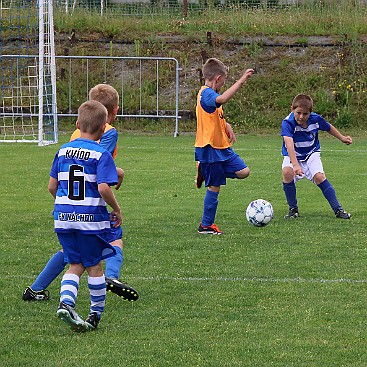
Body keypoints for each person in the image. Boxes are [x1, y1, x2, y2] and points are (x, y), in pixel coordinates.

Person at [22, 83, 138, 302]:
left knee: (71, 252)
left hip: (69, 201)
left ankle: (36, 287)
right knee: (114, 237)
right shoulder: (109, 132)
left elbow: (62, 174)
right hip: (91, 202)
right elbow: (97, 161)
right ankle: (111, 277)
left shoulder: (77, 132)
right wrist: (119, 173)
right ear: (112, 112)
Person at [51, 99, 121, 331]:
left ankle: (67, 303)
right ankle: (94, 315)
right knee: (95, 267)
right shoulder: (101, 154)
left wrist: (66, 206)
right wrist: (117, 209)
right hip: (90, 219)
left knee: (74, 264)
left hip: (63, 218)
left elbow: (52, 187)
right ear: (103, 129)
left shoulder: (62, 151)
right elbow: (103, 188)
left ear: (77, 123)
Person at [195, 58, 254, 235]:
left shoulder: (210, 96)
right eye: (224, 81)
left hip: (222, 147)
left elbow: (214, 114)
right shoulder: (206, 93)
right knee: (214, 187)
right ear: (218, 78)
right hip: (210, 148)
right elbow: (221, 99)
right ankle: (206, 226)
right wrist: (241, 80)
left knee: (244, 172)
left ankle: (204, 169)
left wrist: (226, 125)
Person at [281, 93, 352, 219]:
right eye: (298, 113)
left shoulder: (315, 119)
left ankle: (338, 210)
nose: (301, 117)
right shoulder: (287, 123)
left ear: (310, 113)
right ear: (292, 109)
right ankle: (293, 210)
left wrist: (342, 138)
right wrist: (295, 165)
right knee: (287, 172)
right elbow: (289, 144)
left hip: (311, 153)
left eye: (305, 114)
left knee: (319, 177)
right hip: (293, 155)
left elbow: (328, 127)